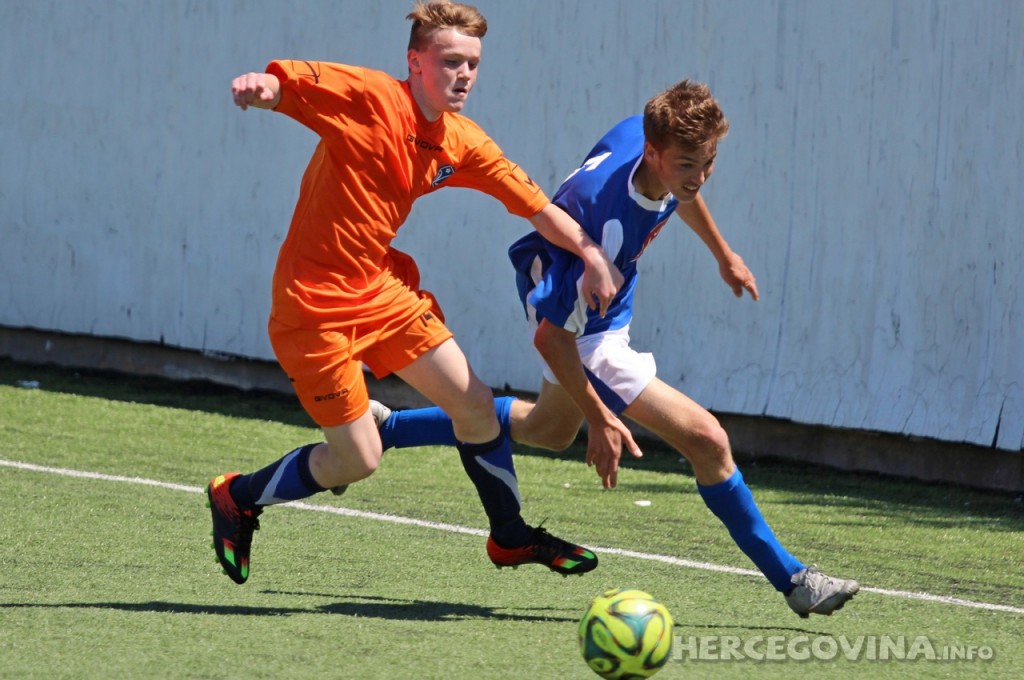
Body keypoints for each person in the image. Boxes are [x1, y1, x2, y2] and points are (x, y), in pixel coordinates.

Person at [371, 79, 860, 618]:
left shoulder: (647, 138)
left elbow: (681, 194)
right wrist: (601, 418)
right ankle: (793, 579)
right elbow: (553, 338)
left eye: (708, 163)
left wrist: (723, 252)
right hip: (575, 315)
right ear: (653, 153)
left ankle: (389, 428)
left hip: (598, 299)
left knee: (546, 431)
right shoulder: (602, 230)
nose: (698, 177)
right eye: (686, 165)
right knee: (708, 439)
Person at [206, 0, 623, 585]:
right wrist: (264, 88)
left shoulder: (461, 141)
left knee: (475, 405)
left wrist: (592, 254)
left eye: (473, 64)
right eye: (451, 61)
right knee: (357, 461)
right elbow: (290, 87)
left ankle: (509, 536)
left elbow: (539, 209)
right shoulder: (372, 97)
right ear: (415, 62)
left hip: (380, 288)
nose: (465, 75)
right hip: (312, 304)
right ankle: (238, 497)